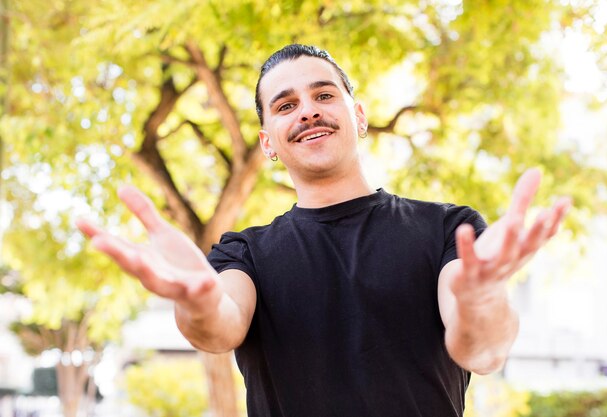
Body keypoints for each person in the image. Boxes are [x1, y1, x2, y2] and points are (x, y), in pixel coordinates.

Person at [77, 44, 571, 416]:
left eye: (323, 94)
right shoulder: (244, 253)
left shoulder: (447, 228)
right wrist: (197, 303)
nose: (308, 109)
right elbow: (220, 325)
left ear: (358, 116)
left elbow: (482, 352)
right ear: (268, 142)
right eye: (285, 104)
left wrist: (483, 301)